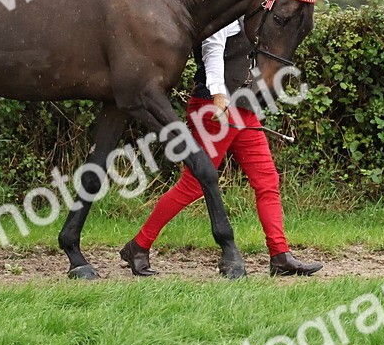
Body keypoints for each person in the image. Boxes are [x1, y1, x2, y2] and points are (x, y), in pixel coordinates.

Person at [120, 19, 322, 277]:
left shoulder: (254, 15)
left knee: (267, 180)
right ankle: (138, 246)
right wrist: (218, 97)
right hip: (215, 109)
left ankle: (280, 256)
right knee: (192, 185)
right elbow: (212, 51)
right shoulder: (225, 16)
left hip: (244, 109)